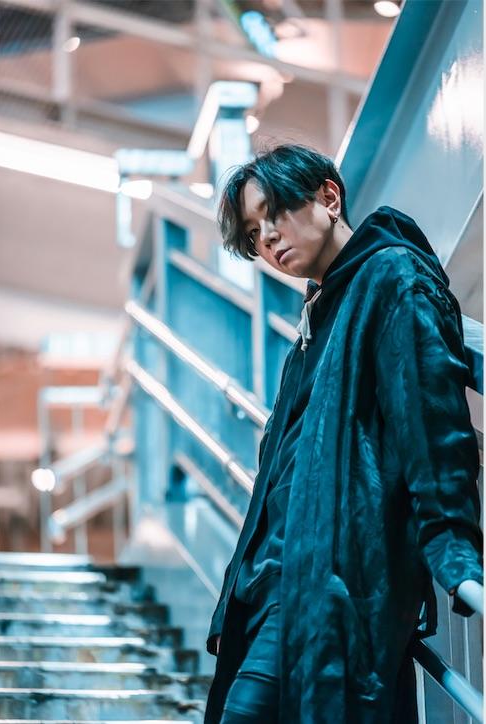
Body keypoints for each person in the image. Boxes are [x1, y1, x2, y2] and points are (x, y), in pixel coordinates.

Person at [203, 144, 483, 724]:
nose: (268, 239)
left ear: (328, 198)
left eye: (274, 213)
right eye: (254, 233)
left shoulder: (392, 278)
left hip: (330, 579)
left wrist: (453, 547)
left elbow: (430, 419)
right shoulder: (323, 309)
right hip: (277, 579)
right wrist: (239, 589)